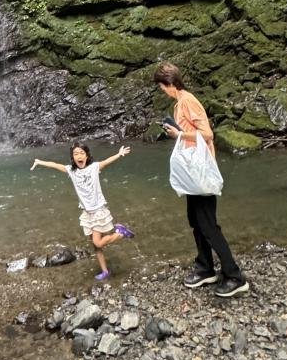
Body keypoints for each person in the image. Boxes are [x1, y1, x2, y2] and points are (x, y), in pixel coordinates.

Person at [154, 61, 249, 298]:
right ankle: (206, 268)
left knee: (208, 225)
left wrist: (179, 133)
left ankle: (235, 276)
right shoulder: (179, 104)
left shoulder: (188, 101)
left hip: (201, 171)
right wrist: (176, 132)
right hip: (191, 172)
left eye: (161, 87)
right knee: (196, 221)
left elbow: (208, 134)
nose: (161, 91)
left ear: (170, 83)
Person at [31, 141, 135, 281]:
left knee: (98, 242)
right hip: (87, 213)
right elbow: (55, 165)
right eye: (75, 154)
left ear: (87, 155)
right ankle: (105, 271)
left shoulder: (94, 167)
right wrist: (39, 161)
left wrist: (119, 154)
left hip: (98, 210)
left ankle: (120, 233)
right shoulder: (71, 171)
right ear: (72, 157)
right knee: (95, 246)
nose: (79, 156)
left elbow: (106, 162)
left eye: (81, 153)